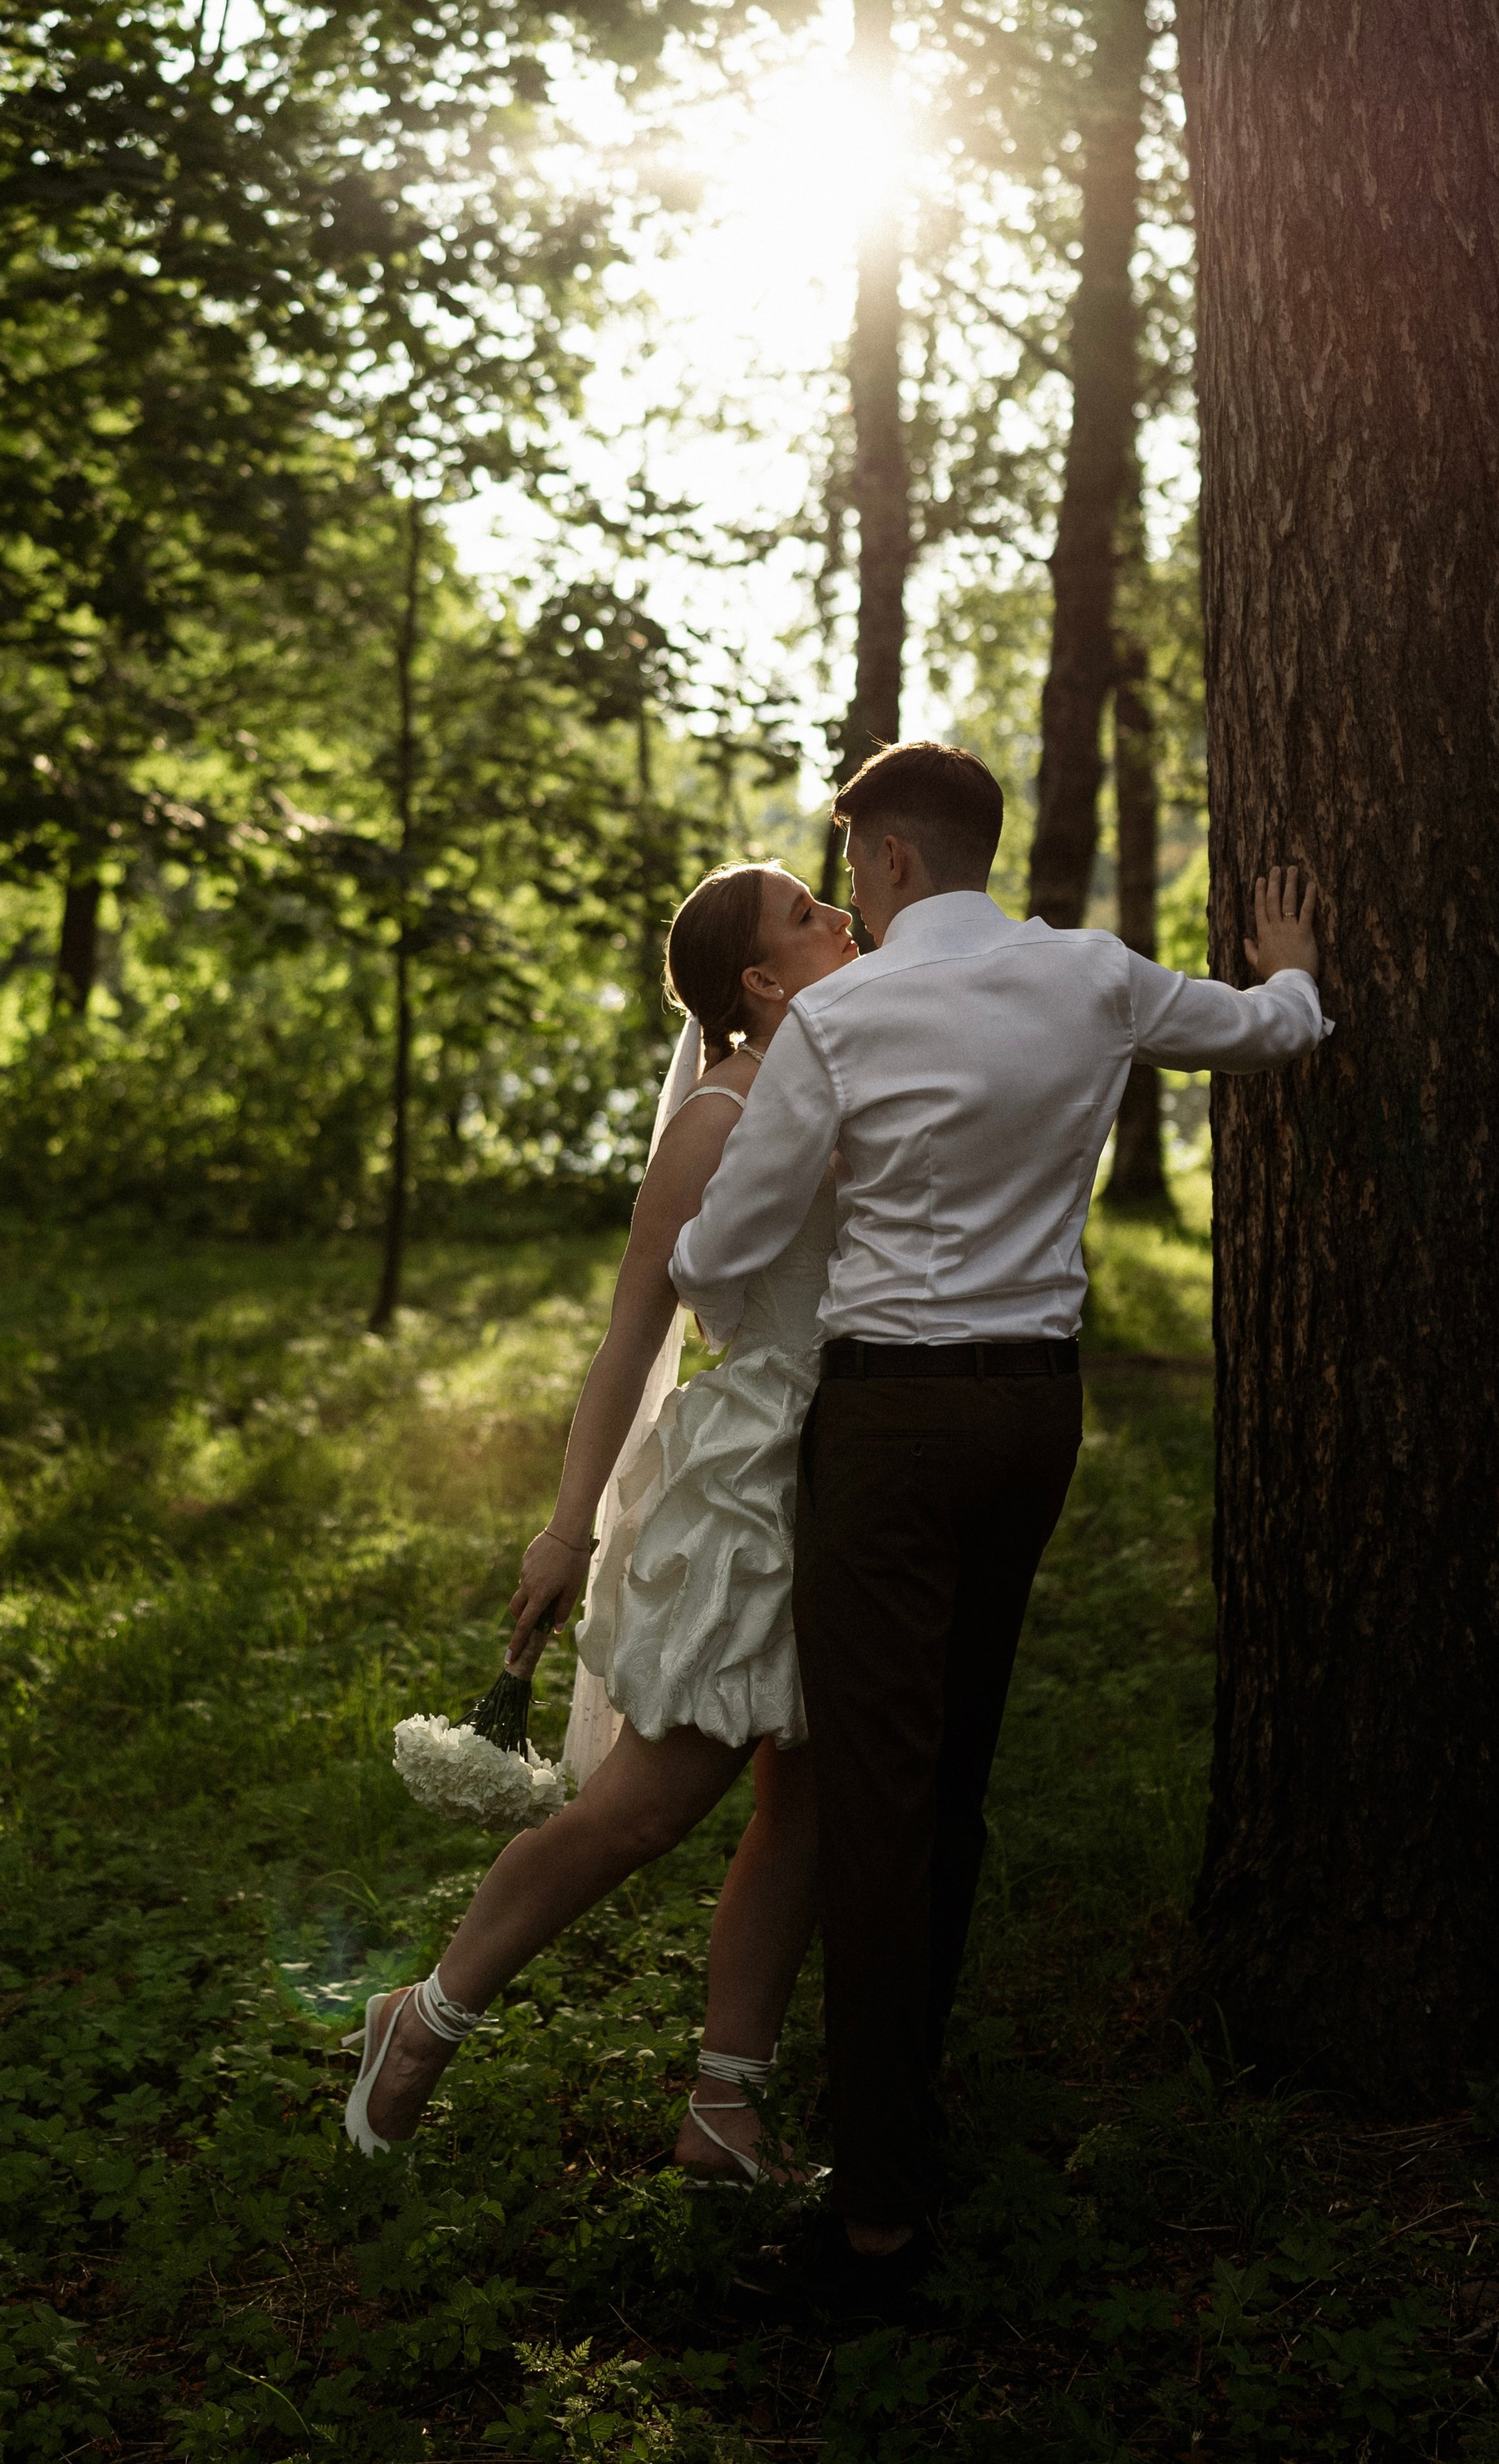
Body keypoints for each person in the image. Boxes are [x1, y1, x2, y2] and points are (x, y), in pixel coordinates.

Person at [668, 742, 1329, 2314]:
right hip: (1036, 1418)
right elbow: (1265, 1034)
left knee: (878, 1801)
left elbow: (721, 1257)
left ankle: (882, 2209)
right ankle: (902, 2128)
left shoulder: (837, 1014)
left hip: (889, 1432)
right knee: (946, 1782)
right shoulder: (1095, 974)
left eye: (852, 870)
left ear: (888, 861)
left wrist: (714, 1201)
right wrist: (1295, 972)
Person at [343, 860, 858, 2180]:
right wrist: (566, 1532)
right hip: (752, 1479)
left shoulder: (867, 1064)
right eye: (809, 914)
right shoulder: (720, 1118)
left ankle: (723, 2111)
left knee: (809, 1796)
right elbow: (635, 1335)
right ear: (756, 980)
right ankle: (425, 2014)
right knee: (647, 1805)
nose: (842, 918)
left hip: (862, 1464)